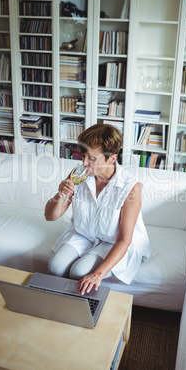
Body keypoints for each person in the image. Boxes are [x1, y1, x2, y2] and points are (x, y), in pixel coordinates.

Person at [45, 124, 151, 295]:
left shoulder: (130, 187)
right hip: (84, 234)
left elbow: (124, 240)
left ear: (112, 158)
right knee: (56, 266)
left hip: (114, 241)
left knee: (79, 272)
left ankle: (80, 311)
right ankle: (58, 305)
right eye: (83, 156)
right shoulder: (79, 174)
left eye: (92, 159)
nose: (84, 163)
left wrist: (98, 274)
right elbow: (50, 216)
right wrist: (61, 194)